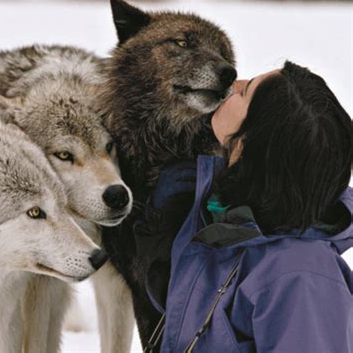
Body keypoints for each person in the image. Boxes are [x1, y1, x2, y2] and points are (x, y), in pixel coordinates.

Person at [134, 61, 353, 353]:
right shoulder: (227, 224)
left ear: (250, 140)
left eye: (245, 92)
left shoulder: (299, 275)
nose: (235, 84)